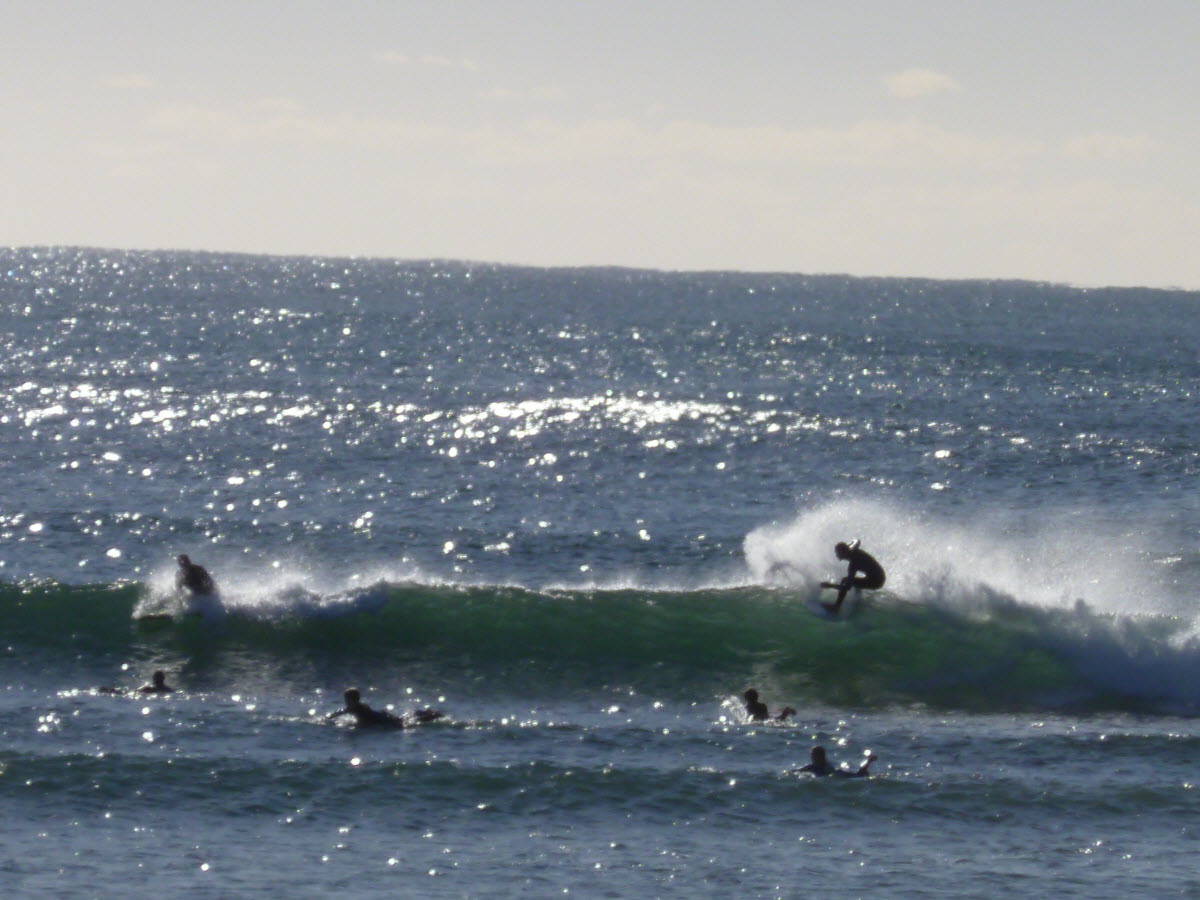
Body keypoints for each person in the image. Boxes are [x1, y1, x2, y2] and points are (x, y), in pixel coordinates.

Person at [327, 688, 444, 729]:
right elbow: (339, 713)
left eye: (346, 699)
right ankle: (425, 713)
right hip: (382, 716)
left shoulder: (356, 708)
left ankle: (432, 715)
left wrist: (326, 719)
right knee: (406, 720)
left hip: (383, 719)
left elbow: (338, 713)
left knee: (406, 724)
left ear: (352, 700)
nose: (345, 702)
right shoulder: (357, 707)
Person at [822, 540, 884, 612]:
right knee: (854, 582)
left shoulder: (854, 564)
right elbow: (857, 541)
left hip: (877, 581)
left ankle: (836, 607)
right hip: (878, 576)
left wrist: (830, 586)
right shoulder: (852, 549)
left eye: (837, 553)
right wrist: (850, 544)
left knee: (845, 580)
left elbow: (846, 587)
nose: (836, 555)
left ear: (844, 553)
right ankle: (858, 600)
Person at [795, 745, 877, 778]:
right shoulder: (827, 764)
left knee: (858, 775)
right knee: (857, 775)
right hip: (837, 773)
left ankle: (868, 762)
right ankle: (868, 762)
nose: (811, 757)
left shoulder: (812, 767)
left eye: (812, 755)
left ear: (817, 756)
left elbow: (798, 771)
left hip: (832, 775)